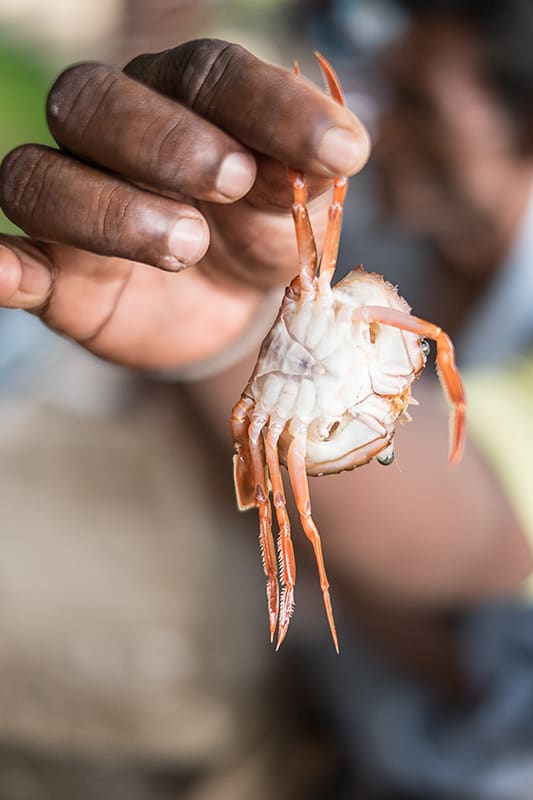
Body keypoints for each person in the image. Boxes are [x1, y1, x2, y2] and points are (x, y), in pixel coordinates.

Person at [0, 4, 532, 798]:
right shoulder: (389, 231)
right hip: (301, 678)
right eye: (384, 92)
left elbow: (485, 527)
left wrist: (235, 350)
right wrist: (226, 331)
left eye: (420, 102)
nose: (384, 133)